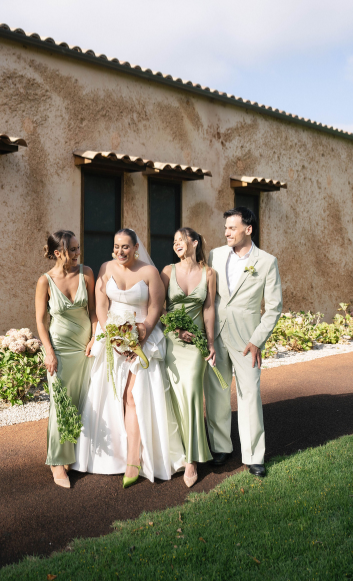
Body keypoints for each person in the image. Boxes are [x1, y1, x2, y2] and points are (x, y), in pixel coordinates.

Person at [73, 229, 184, 487]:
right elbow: (100, 306)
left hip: (142, 336)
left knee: (133, 396)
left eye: (126, 247)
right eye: (116, 246)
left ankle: (134, 460)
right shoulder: (106, 268)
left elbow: (156, 306)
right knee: (111, 396)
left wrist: (142, 331)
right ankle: (112, 455)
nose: (120, 251)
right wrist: (111, 335)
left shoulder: (148, 272)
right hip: (111, 335)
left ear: (136, 247)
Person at [204, 207, 282, 477]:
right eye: (225, 228)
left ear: (248, 230)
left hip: (248, 340)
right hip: (216, 336)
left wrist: (258, 340)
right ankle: (220, 447)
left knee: (249, 394)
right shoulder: (215, 255)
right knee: (216, 393)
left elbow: (273, 307)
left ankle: (254, 455)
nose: (226, 232)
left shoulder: (267, 262)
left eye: (232, 228)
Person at [34, 230, 95, 488]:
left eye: (78, 248)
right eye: (72, 249)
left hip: (85, 349)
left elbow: (93, 311)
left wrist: (95, 338)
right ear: (58, 252)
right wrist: (48, 351)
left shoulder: (87, 273)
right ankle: (57, 461)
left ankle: (74, 455)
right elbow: (40, 320)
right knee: (60, 404)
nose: (77, 253)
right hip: (59, 350)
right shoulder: (45, 281)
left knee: (83, 402)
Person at [161, 228, 217, 487]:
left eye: (181, 240)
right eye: (174, 242)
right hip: (171, 341)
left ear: (195, 242)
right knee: (173, 398)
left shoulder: (209, 274)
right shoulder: (167, 272)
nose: (176, 245)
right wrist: (175, 329)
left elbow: (208, 308)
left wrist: (209, 342)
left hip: (195, 344)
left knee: (192, 395)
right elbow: (158, 308)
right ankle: (177, 454)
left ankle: (193, 459)